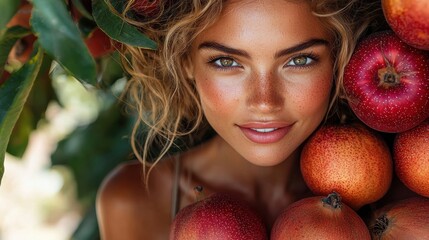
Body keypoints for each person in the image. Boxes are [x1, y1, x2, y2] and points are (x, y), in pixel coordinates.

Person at [96, 0, 382, 239]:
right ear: (186, 63)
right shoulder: (133, 200)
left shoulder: (391, 195)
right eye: (226, 62)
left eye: (299, 60)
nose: (264, 102)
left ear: (338, 59)